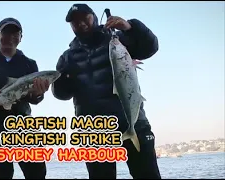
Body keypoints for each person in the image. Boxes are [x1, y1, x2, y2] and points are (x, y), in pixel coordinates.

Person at [52, 4, 161, 179]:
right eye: (74, 22)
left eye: (84, 18)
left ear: (94, 17)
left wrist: (130, 26)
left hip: (132, 122)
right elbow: (61, 95)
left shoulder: (119, 41)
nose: (80, 24)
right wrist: (60, 81)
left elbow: (151, 47)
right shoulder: (67, 57)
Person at [0, 17, 49, 179]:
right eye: (5, 32)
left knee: (37, 172)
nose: (10, 36)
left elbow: (35, 99)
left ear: (21, 37)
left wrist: (39, 93)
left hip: (24, 124)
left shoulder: (29, 64)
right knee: (0, 174)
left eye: (15, 33)